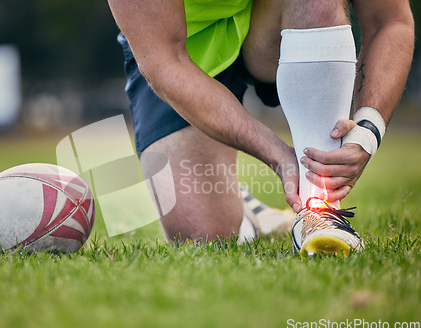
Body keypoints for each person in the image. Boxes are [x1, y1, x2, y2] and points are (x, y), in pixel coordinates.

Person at [107, 0, 414, 257]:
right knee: (203, 234)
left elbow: (390, 20)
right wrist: (279, 156)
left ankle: (321, 211)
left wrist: (367, 130)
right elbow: (164, 63)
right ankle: (253, 212)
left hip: (272, 21)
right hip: (180, 46)